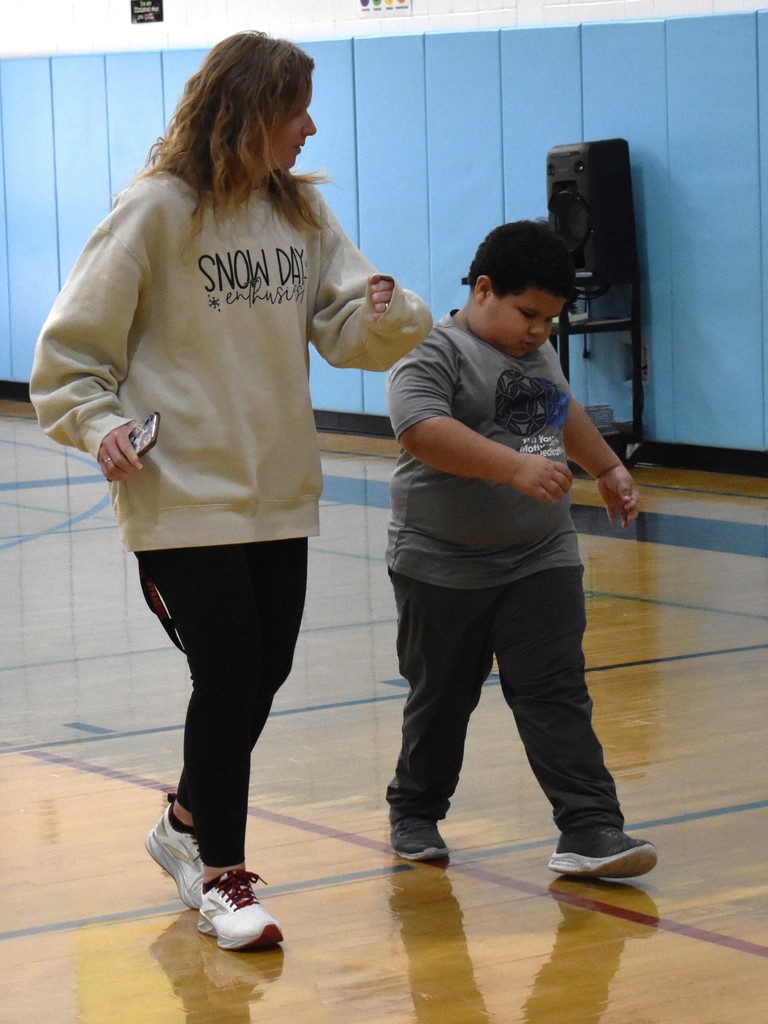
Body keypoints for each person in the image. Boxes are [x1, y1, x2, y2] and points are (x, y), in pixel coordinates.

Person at [30, 30, 432, 952]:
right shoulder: (156, 211)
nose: (310, 127)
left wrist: (389, 313)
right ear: (250, 109)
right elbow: (69, 358)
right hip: (180, 494)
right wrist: (101, 425)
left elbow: (341, 328)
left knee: (266, 669)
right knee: (228, 674)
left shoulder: (299, 215)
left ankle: (179, 822)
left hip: (276, 488)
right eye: (295, 110)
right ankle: (220, 874)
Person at [384, 219, 657, 879]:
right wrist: (511, 467)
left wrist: (608, 468)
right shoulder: (430, 349)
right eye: (528, 314)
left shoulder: (536, 353)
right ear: (482, 289)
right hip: (443, 564)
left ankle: (591, 828)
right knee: (443, 696)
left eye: (551, 321)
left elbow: (562, 411)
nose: (539, 331)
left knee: (556, 690)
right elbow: (421, 431)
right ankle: (415, 809)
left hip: (540, 556)